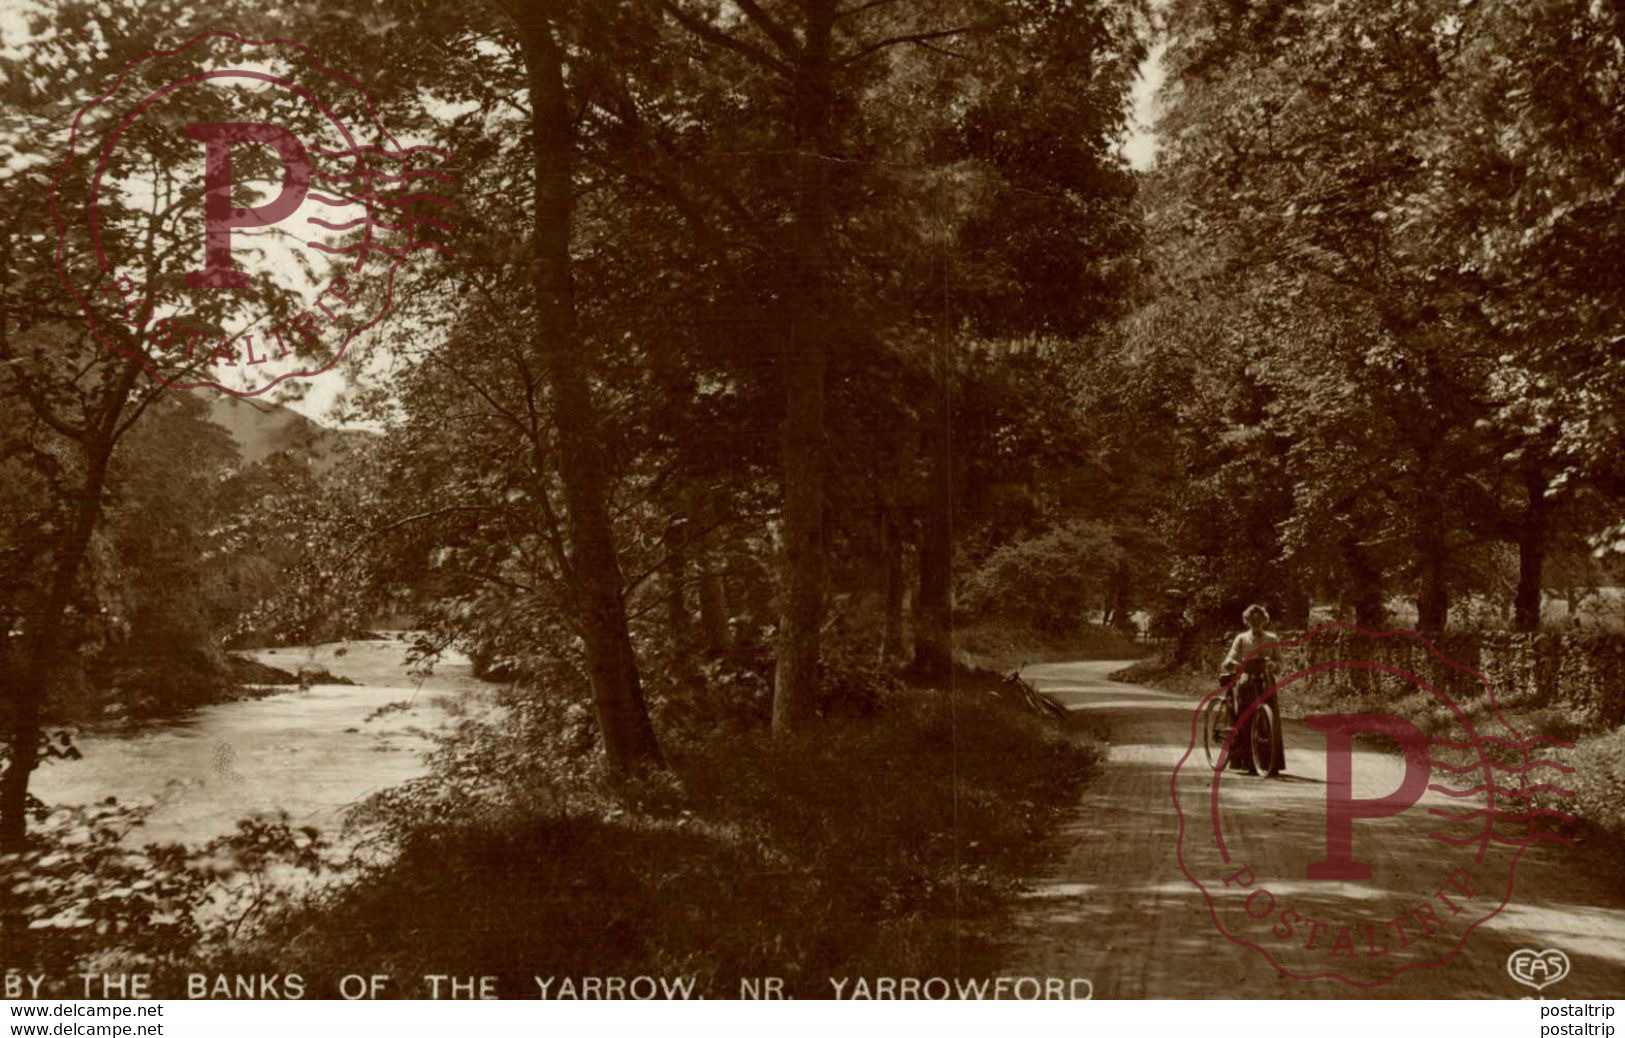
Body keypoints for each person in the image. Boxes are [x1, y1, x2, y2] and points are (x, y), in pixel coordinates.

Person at [1218, 604, 1285, 775]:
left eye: (1259, 619)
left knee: (1270, 721)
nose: (1256, 623)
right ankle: (1247, 762)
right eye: (1251, 620)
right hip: (1246, 682)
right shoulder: (1241, 638)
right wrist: (1231, 664)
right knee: (1246, 719)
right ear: (1246, 621)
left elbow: (1280, 664)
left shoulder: (1272, 638)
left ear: (1264, 620)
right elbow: (1230, 659)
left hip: (1266, 681)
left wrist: (1273, 664)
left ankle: (1270, 762)